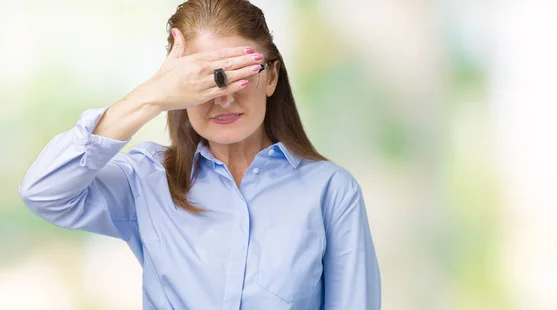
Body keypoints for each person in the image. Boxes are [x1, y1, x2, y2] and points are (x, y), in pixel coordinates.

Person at [18, 0, 381, 309]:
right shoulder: (147, 181)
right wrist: (151, 96)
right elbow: (44, 192)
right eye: (204, 80)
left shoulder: (330, 191)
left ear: (271, 78)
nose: (223, 97)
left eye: (238, 75)